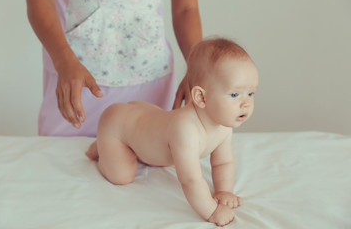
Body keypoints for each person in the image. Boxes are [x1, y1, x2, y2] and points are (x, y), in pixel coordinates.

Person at [86, 38, 259, 226]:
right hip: (118, 124)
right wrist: (212, 210)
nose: (246, 103)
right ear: (201, 97)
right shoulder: (185, 129)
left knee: (148, 139)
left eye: (250, 93)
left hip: (144, 117)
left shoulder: (224, 125)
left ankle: (117, 147)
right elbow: (191, 180)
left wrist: (223, 191)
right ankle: (103, 148)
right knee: (122, 176)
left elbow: (223, 162)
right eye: (235, 94)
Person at [26, 0, 201, 136]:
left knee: (149, 168)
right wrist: (63, 61)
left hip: (150, 81)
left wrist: (197, 68)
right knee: (61, 165)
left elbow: (186, 7)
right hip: (75, 80)